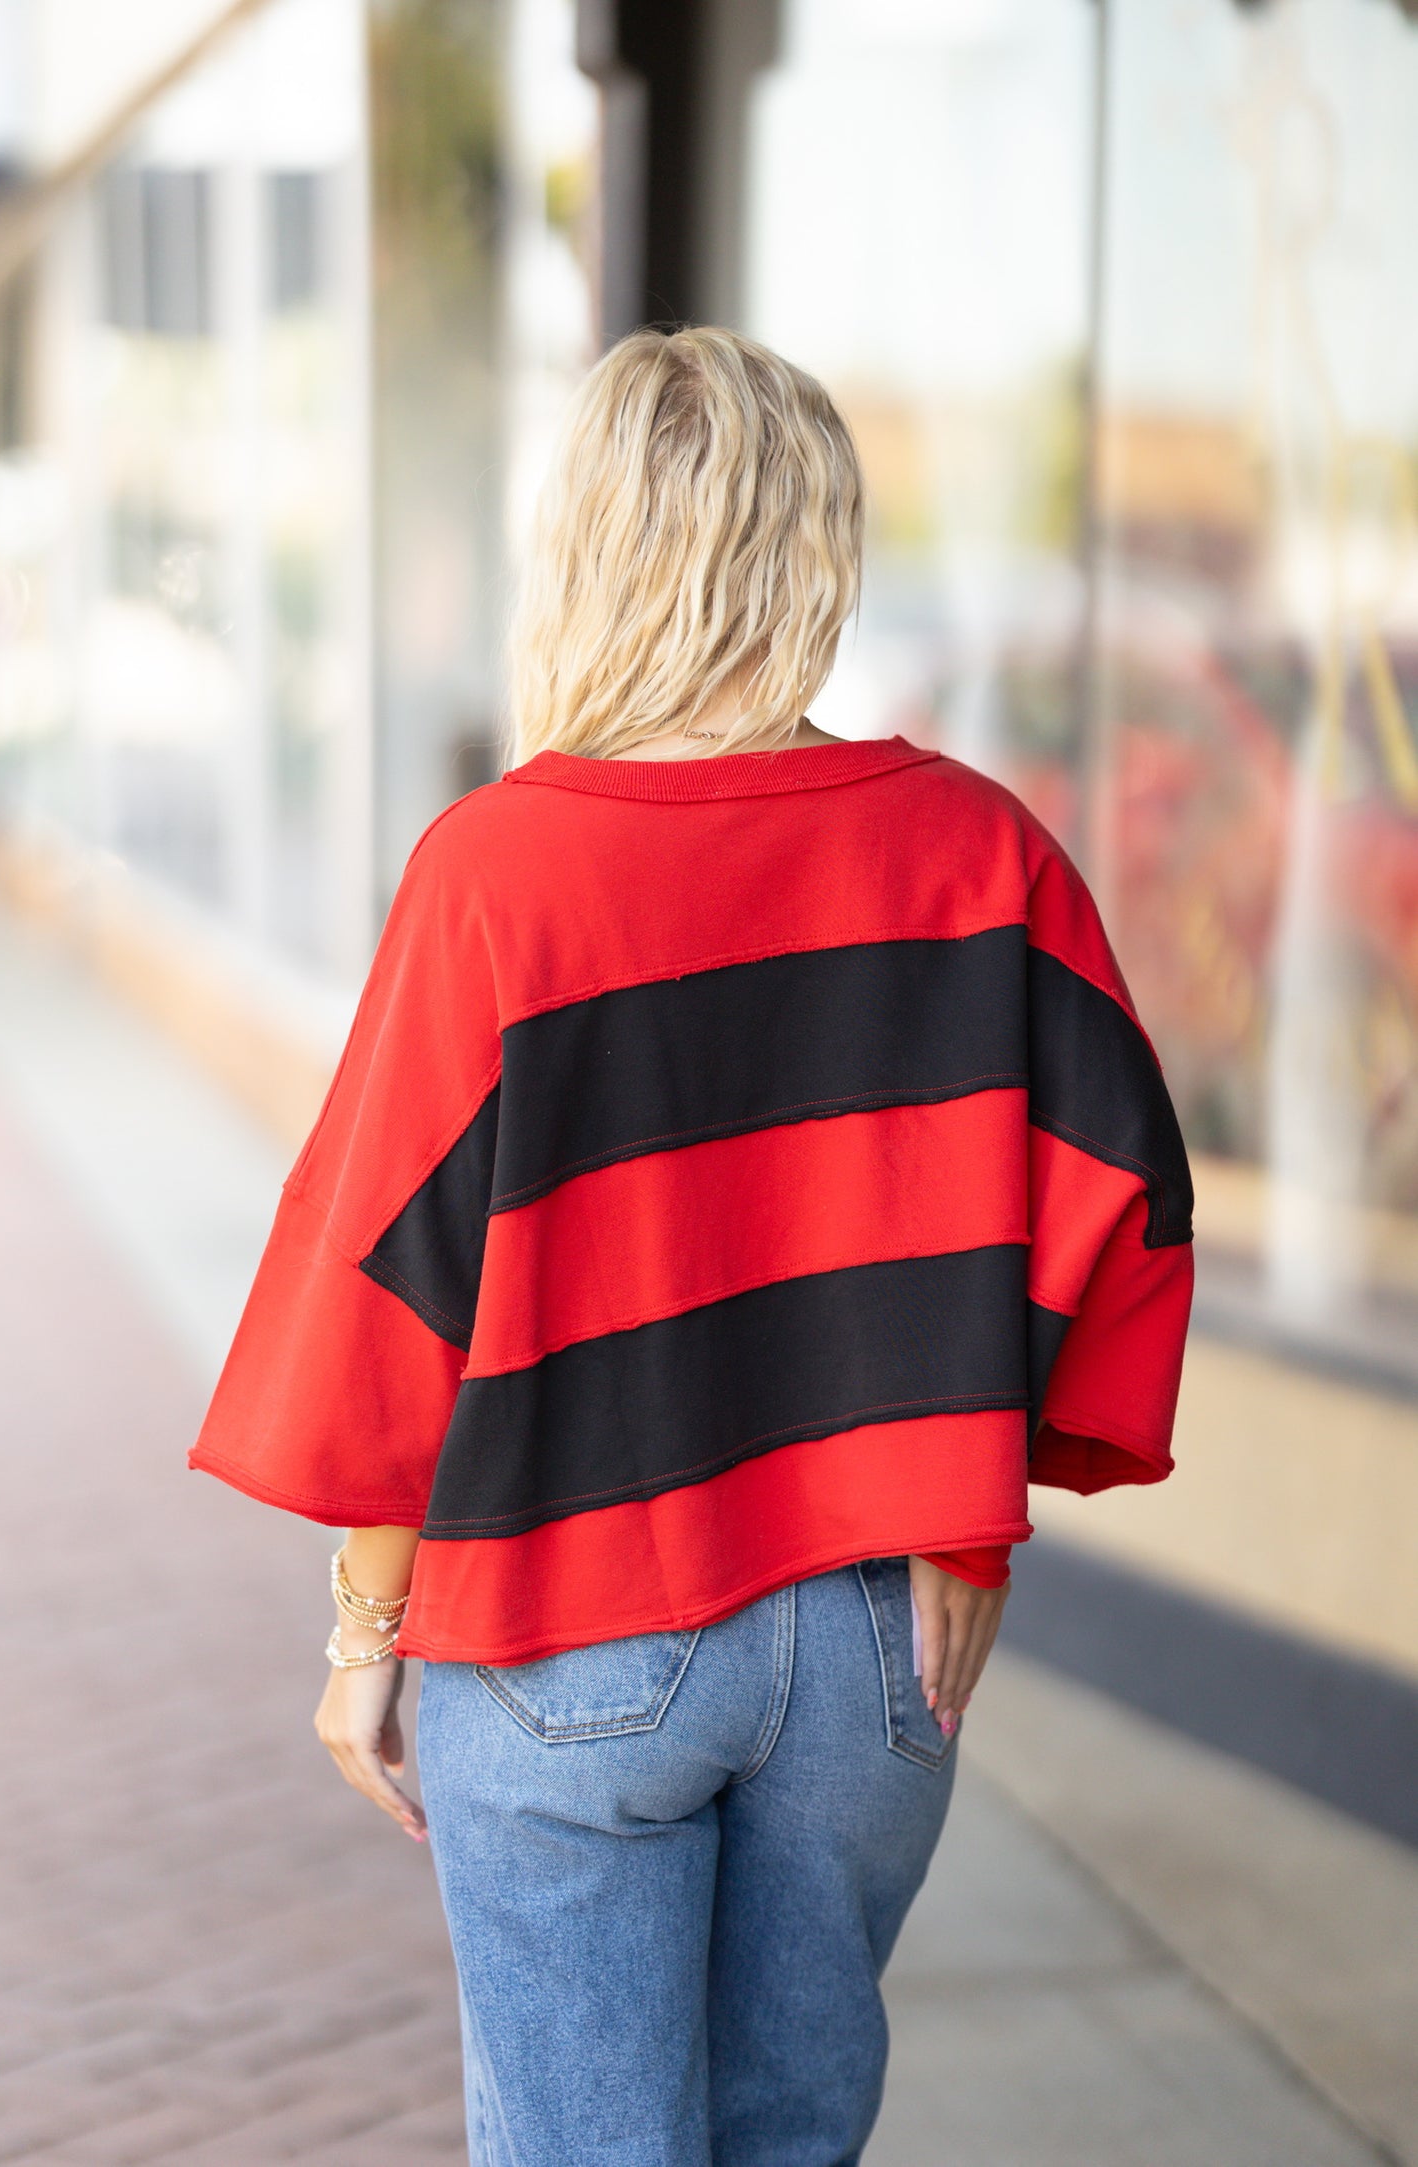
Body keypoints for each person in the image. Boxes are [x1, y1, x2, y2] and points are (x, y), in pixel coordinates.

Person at [191, 326, 1193, 2166]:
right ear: (816, 548)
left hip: (572, 1619)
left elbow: (387, 1287)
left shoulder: (498, 872)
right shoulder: (980, 851)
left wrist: (363, 1628)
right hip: (886, 1633)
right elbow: (1119, 1190)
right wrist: (967, 1494)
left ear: (587, 545)